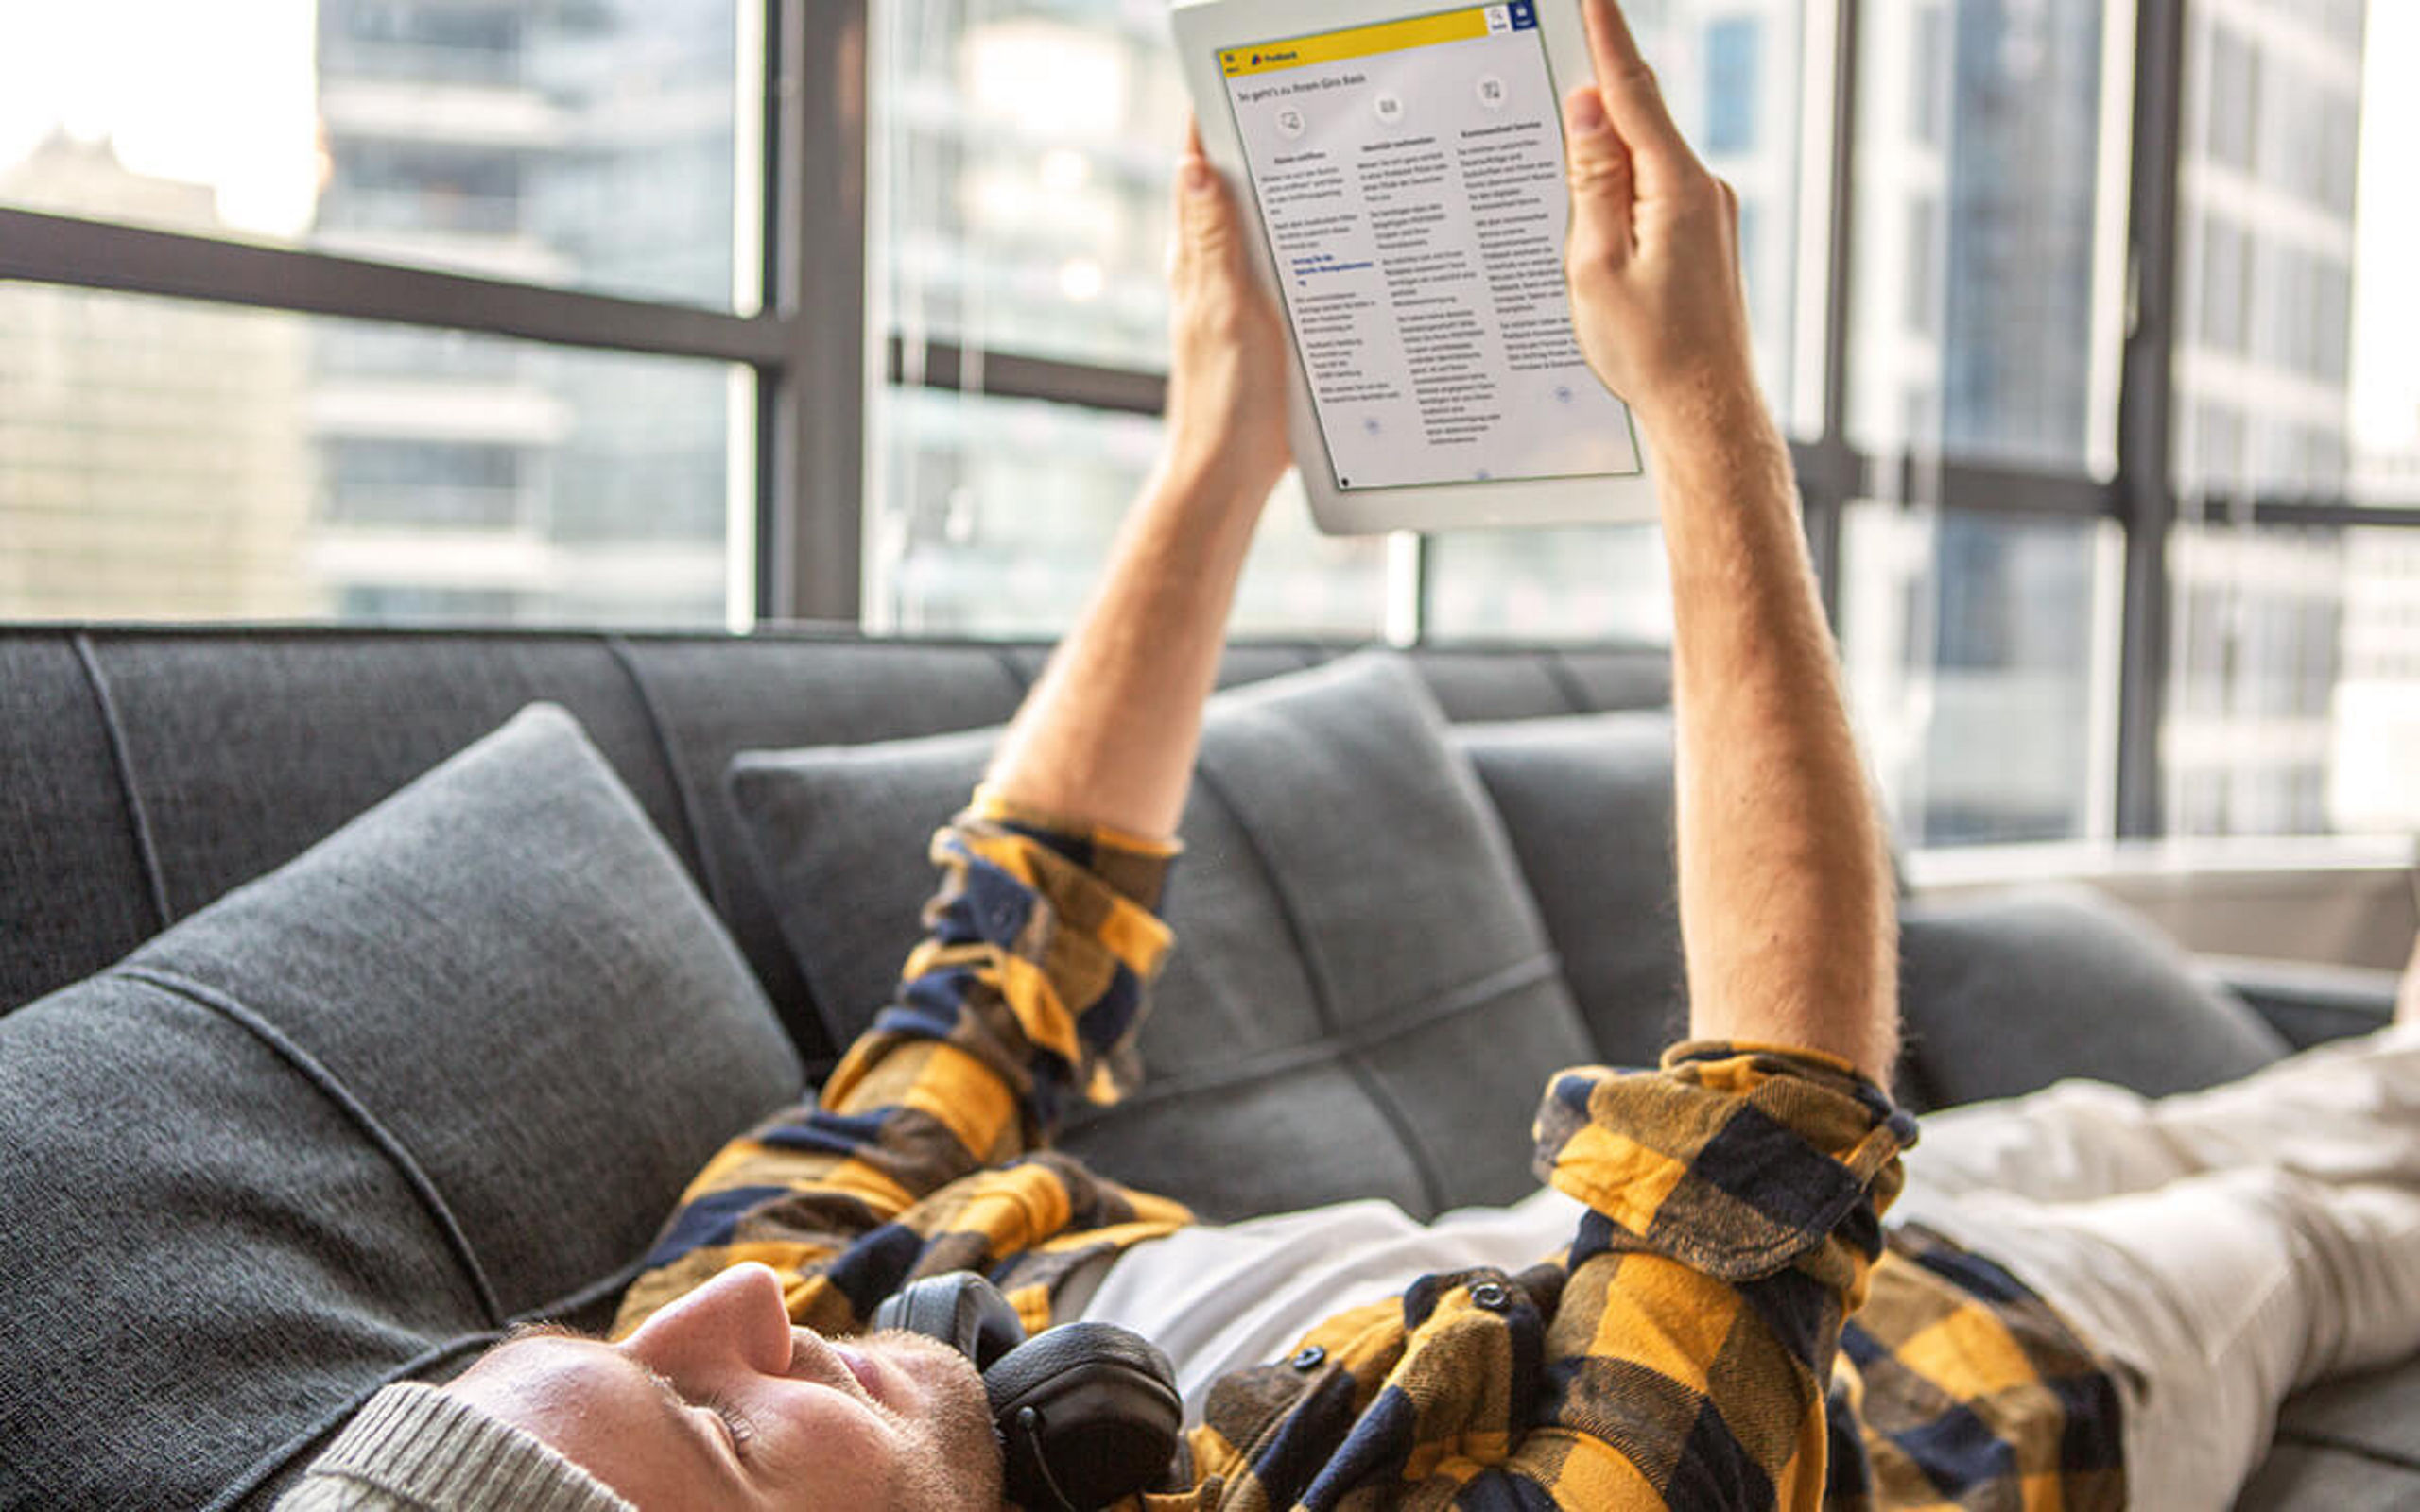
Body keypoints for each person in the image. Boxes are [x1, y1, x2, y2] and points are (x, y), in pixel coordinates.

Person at [277, 2, 2420, 1507]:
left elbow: (1010, 947)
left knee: (2213, 1103)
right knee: (2322, 1228)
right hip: (1965, 1379)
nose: (729, 1311)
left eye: (634, 1352)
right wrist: (1699, 415)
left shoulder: (780, 1307)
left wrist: (1220, 442)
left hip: (1633, 1230)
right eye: (723, 1430)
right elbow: (1776, 1123)